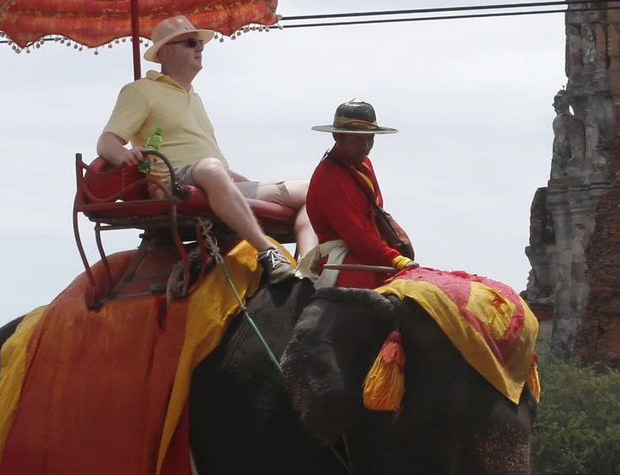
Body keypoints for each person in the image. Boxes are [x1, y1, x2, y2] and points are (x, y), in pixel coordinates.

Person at [96, 15, 312, 283]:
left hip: (212, 178)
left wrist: (234, 178)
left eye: (200, 43)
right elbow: (106, 141)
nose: (199, 47)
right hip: (174, 182)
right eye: (190, 42)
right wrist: (124, 155)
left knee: (311, 190)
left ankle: (307, 266)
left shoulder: (194, 96)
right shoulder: (140, 90)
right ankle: (268, 252)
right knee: (211, 168)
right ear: (166, 50)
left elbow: (205, 158)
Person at [305, 100, 417, 288]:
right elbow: (356, 235)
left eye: (370, 139)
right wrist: (395, 260)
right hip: (342, 255)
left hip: (371, 251)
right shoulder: (328, 176)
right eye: (357, 140)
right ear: (337, 136)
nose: (365, 146)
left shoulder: (365, 165)